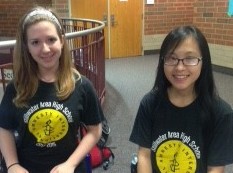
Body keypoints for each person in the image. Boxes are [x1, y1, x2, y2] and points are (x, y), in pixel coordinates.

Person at [0, 6, 104, 173]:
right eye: (35, 42)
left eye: (51, 40)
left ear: (62, 40)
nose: (45, 49)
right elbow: (4, 127)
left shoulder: (82, 85)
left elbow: (95, 130)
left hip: (68, 167)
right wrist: (12, 165)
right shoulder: (16, 87)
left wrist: (70, 164)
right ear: (27, 46)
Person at [129, 26, 233, 173]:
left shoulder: (221, 113)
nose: (179, 67)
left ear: (203, 62)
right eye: (172, 58)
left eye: (190, 58)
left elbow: (215, 168)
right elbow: (144, 155)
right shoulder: (150, 103)